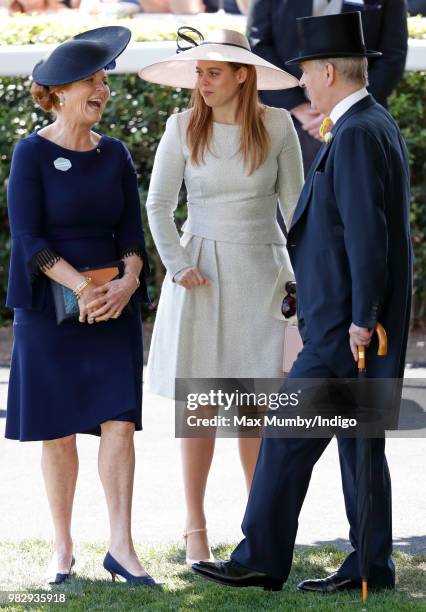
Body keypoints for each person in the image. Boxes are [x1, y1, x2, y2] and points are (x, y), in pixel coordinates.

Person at [192, 11, 412, 594]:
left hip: (347, 328)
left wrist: (362, 320)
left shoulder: (360, 131)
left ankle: (260, 558)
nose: (304, 84)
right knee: (358, 449)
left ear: (328, 71)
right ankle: (371, 566)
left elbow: (369, 237)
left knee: (287, 437)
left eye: (307, 73)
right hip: (349, 322)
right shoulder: (369, 123)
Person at [139, 28, 303, 565]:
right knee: (202, 405)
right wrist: (179, 264)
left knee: (255, 404)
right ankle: (195, 529)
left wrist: (305, 286)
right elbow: (159, 204)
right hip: (200, 271)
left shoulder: (278, 125)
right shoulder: (181, 125)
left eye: (213, 72)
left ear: (242, 75)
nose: (202, 81)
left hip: (264, 271)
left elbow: (297, 211)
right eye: (198, 72)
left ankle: (262, 531)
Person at [5, 27, 157, 587]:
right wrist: (81, 287)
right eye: (92, 80)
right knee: (59, 429)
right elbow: (28, 237)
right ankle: (62, 549)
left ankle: (121, 547)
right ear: (60, 91)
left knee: (119, 421)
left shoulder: (114, 153)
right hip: (51, 306)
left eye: (104, 80)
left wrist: (127, 280)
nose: (103, 88)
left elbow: (131, 233)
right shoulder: (30, 152)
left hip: (115, 304)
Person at [247, 0, 408, 174]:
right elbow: (258, 43)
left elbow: (393, 54)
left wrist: (347, 109)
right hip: (293, 119)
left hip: (359, 121)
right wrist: (299, 108)